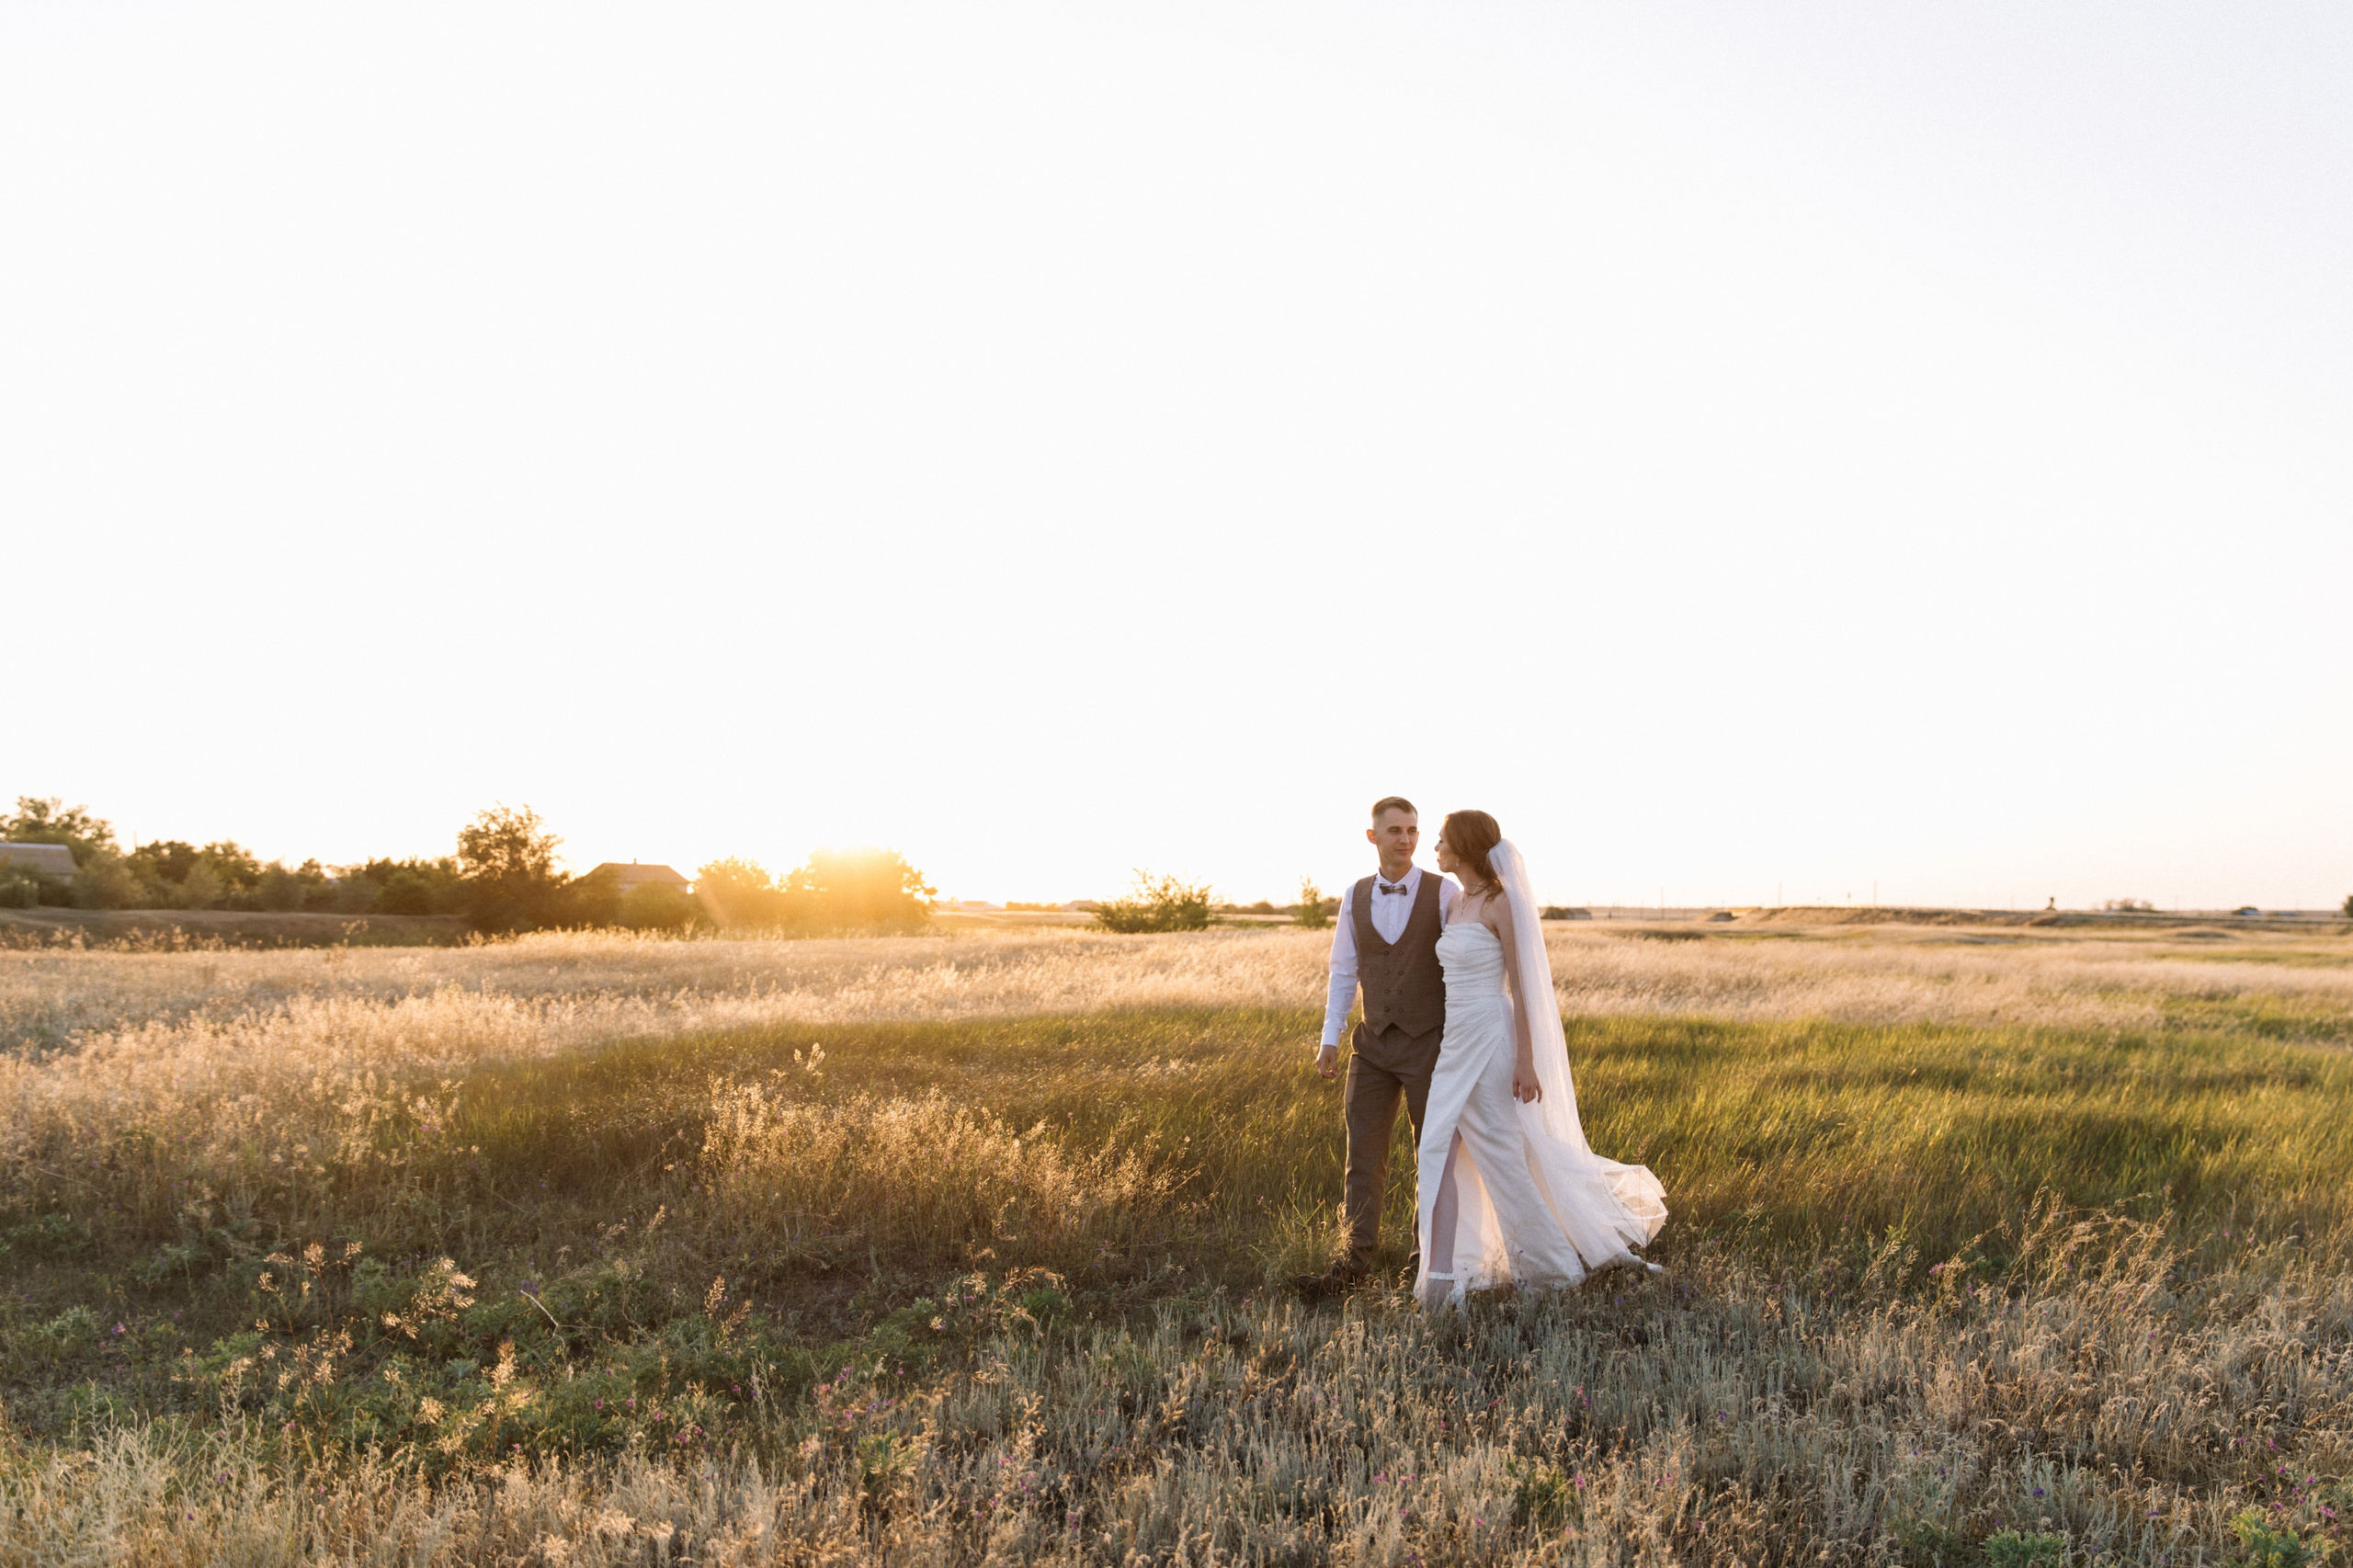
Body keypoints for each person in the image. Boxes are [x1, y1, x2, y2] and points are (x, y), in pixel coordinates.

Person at [1416, 810, 1666, 1310]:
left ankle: (1552, 1268)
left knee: (1502, 1157)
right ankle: (1450, 1268)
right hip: (1455, 1042)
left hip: (1491, 1036)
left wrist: (1525, 1061)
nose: (1435, 849)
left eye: (1441, 841)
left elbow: (1524, 985)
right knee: (1437, 1150)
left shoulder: (1500, 903)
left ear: (1462, 848)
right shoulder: (1455, 905)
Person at [1298, 795, 1458, 1294]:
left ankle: (1423, 1262)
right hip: (1370, 1046)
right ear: (1373, 837)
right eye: (1395, 831)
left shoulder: (1444, 892)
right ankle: (1352, 1263)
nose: (1406, 839)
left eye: (1413, 830)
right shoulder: (1354, 895)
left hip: (1429, 1044)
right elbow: (1344, 971)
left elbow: (1461, 970)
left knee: (1430, 1155)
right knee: (1362, 1156)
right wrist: (1330, 1038)